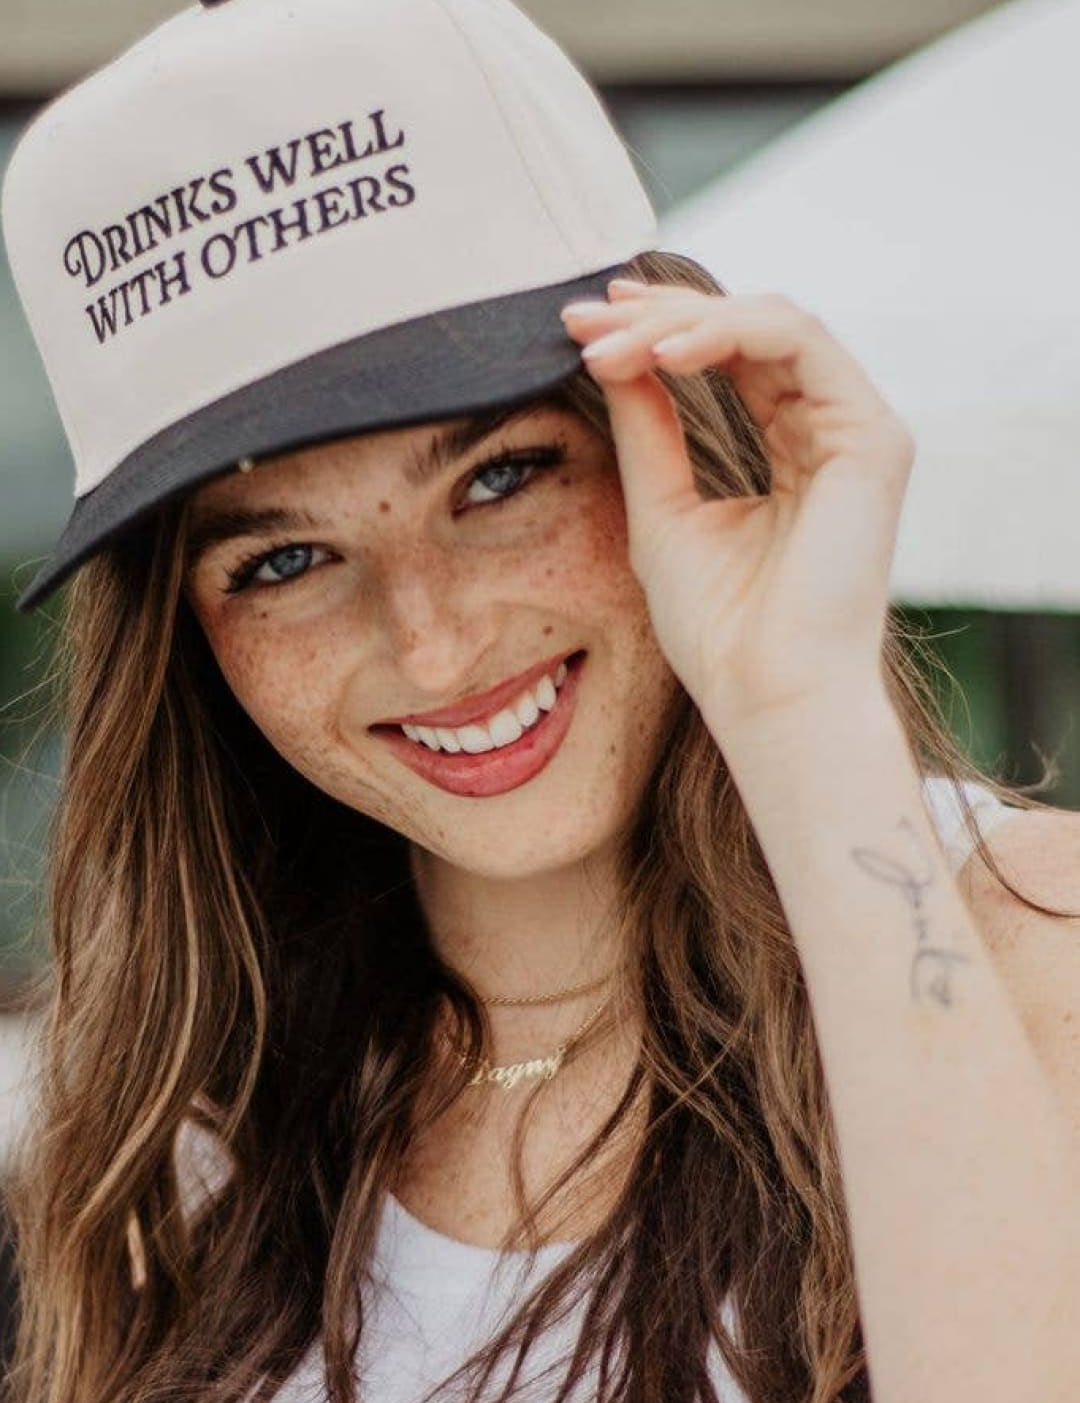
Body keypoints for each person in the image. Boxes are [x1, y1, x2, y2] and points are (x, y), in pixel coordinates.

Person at [2, 2, 1078, 1402]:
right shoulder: (186, 1135)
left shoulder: (1028, 946)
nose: (437, 649)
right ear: (186, 638)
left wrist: (801, 700)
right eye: (284, 559)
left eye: (501, 477)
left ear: (673, 409)